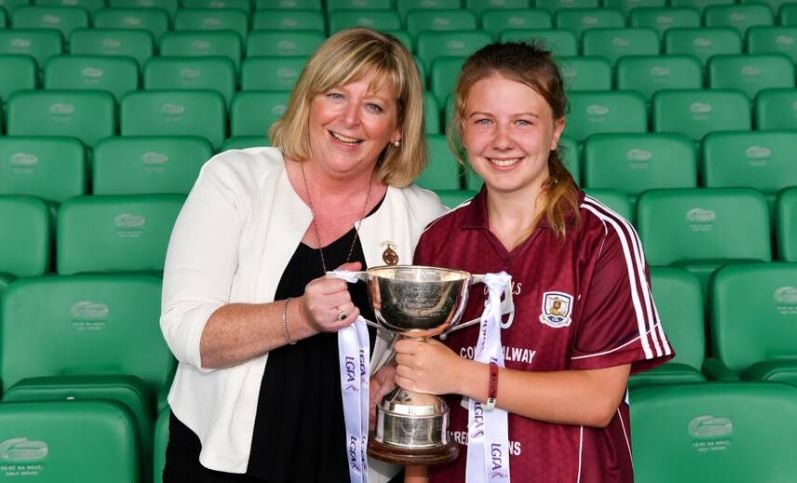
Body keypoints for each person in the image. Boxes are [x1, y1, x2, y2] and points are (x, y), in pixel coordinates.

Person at [159, 27, 447, 482]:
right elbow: (188, 333)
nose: (349, 119)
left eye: (373, 106)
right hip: (223, 459)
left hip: (358, 464)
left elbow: (438, 332)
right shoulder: (233, 180)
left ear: (397, 129)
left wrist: (392, 373)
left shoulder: (421, 213)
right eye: (335, 95)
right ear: (308, 102)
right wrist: (301, 315)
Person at [389, 42, 674, 482]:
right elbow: (421, 383)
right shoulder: (439, 239)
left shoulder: (602, 238)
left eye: (523, 122)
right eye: (484, 121)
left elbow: (598, 401)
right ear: (462, 130)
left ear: (556, 130)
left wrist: (464, 376)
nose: (502, 141)